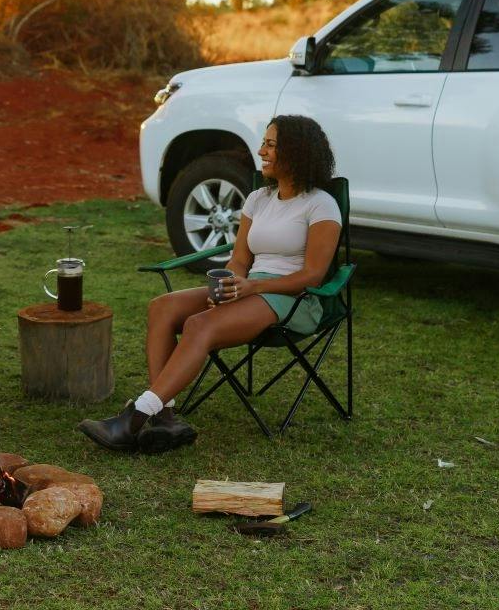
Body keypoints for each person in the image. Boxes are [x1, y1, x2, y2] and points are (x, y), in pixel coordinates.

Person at [79, 114, 342, 452]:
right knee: (162, 307)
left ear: (297, 151)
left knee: (199, 325)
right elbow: (241, 260)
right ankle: (167, 419)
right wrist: (229, 283)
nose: (261, 150)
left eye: (271, 144)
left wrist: (253, 288)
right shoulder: (258, 199)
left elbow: (314, 275)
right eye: (263, 142)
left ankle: (137, 416)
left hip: (292, 298)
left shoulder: (321, 205)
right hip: (250, 288)